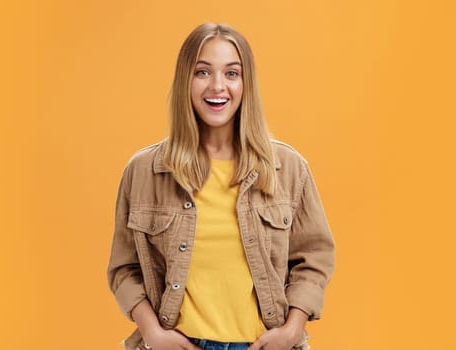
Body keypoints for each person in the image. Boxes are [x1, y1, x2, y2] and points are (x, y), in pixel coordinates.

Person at [106, 23, 335, 350]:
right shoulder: (145, 171)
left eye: (231, 73)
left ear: (246, 83)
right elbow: (123, 268)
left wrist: (292, 329)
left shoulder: (287, 169)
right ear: (186, 79)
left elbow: (315, 257)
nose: (217, 86)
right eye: (202, 72)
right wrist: (154, 333)